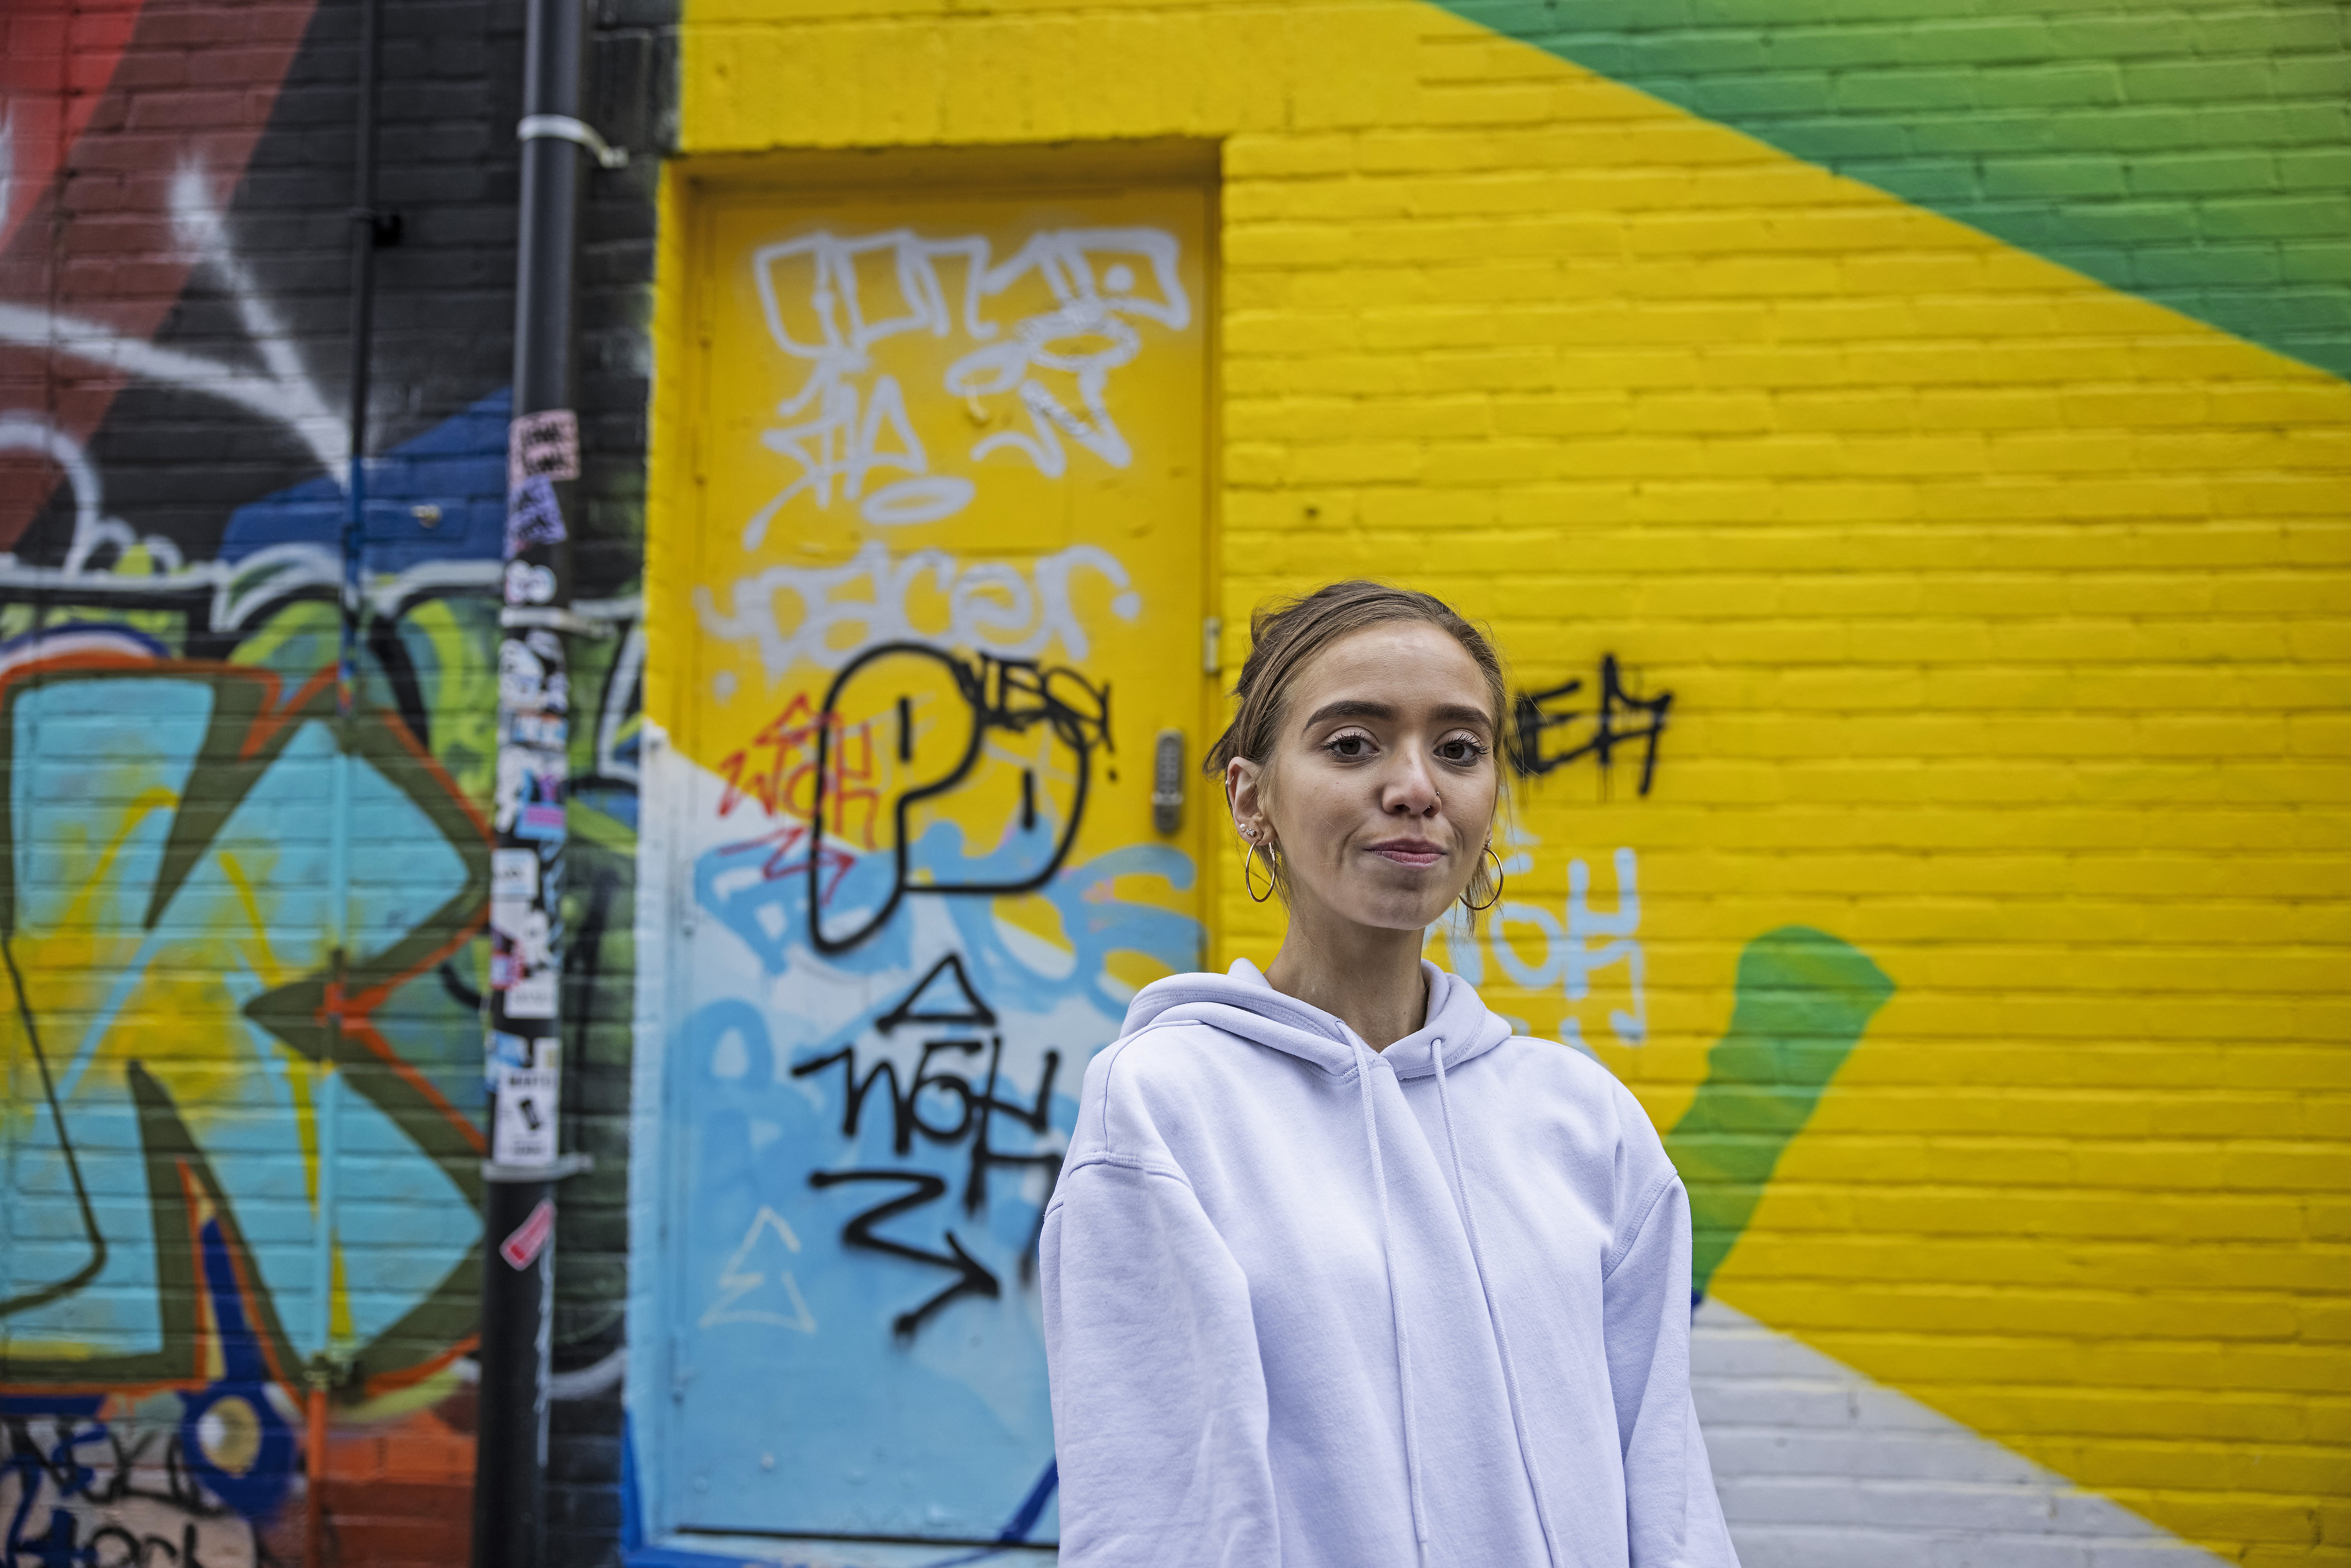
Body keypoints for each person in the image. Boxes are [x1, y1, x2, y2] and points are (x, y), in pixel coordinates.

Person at [1040, 581, 1739, 1567]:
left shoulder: (1585, 1121)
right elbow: (1162, 1511)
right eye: (1352, 744)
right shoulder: (1166, 1105)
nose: (1416, 786)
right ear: (1252, 797)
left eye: (1459, 749)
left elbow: (1664, 1493)